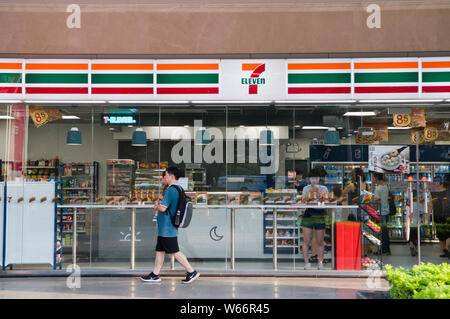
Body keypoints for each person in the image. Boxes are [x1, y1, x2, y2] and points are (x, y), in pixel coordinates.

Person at [141, 167, 200, 284]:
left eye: (165, 175)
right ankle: (155, 274)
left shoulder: (171, 190)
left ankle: (191, 271)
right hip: (166, 226)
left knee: (174, 251)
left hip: (168, 226)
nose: (164, 177)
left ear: (171, 176)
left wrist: (156, 205)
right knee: (160, 250)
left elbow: (163, 208)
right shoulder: (177, 189)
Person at [301, 168, 329, 270]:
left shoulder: (324, 188)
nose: (314, 180)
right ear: (309, 179)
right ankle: (306, 263)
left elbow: (327, 201)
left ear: (319, 178)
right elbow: (303, 201)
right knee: (306, 241)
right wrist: (310, 192)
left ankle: (320, 262)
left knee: (320, 241)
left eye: (316, 178)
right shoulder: (306, 188)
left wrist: (319, 192)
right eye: (312, 178)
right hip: (308, 214)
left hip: (320, 214)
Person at [371, 172, 391, 255]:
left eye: (373, 177)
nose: (372, 179)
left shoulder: (378, 189)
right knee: (385, 232)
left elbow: (376, 203)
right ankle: (386, 249)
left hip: (381, 212)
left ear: (376, 178)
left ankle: (384, 250)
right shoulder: (385, 187)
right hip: (386, 211)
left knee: (382, 233)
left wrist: (373, 210)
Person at [431, 174, 450, 258]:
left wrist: (427, 216)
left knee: (440, 234)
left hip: (437, 215)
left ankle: (444, 250)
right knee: (448, 233)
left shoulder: (433, 192)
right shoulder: (448, 191)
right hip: (447, 215)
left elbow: (430, 205)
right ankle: (446, 248)